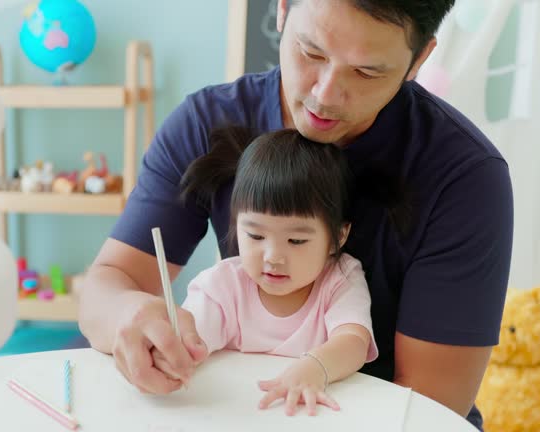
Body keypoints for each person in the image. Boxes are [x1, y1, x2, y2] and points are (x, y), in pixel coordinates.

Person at [78, 0, 513, 429]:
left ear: (419, 59)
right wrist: (127, 314)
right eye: (311, 52)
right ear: (283, 10)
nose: (325, 95)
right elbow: (110, 284)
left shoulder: (464, 177)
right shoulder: (206, 123)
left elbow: (428, 410)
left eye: (366, 72)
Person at [150, 128, 378, 416]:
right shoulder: (222, 285)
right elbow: (194, 339)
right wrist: (172, 355)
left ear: (338, 237)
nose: (273, 257)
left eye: (296, 240)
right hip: (236, 415)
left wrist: (315, 368)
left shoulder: (341, 278)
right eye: (256, 236)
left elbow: (354, 342)